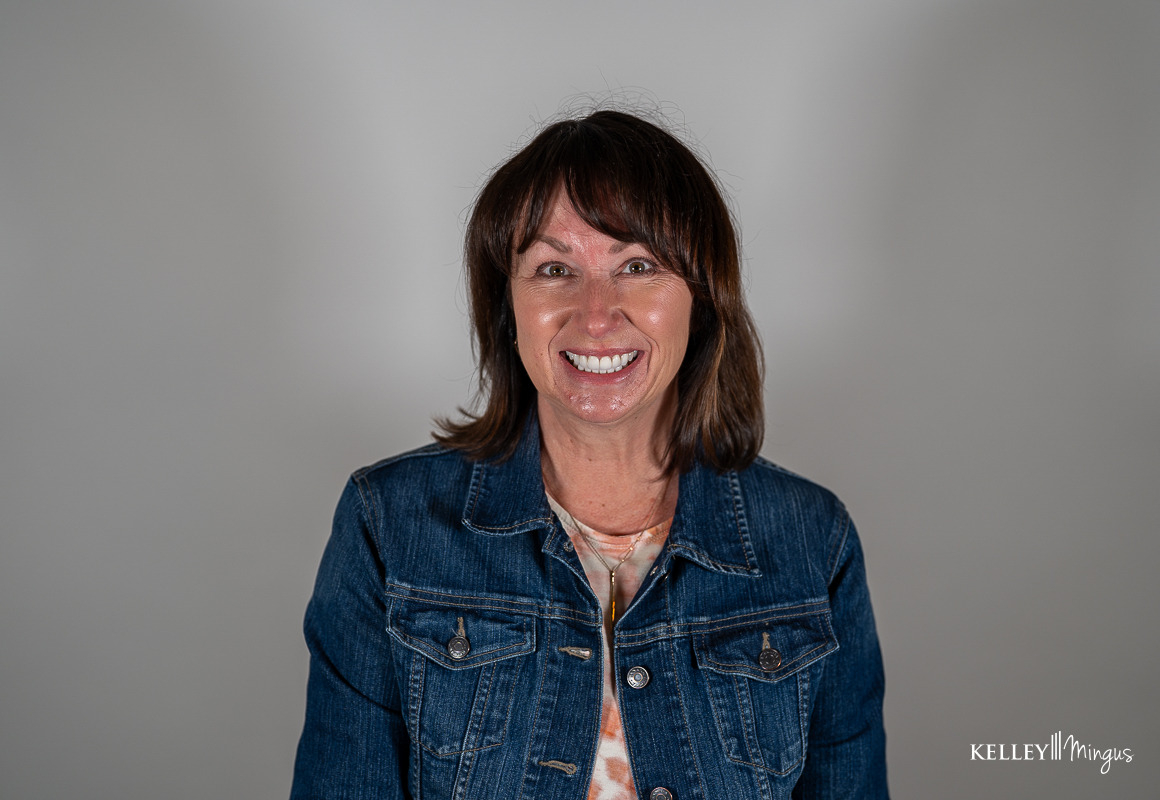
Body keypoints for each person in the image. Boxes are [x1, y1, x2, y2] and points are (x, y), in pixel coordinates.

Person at [291, 109, 887, 799]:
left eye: (637, 265)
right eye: (554, 268)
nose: (596, 314)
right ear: (507, 306)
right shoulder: (390, 527)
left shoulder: (813, 541)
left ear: (700, 298)